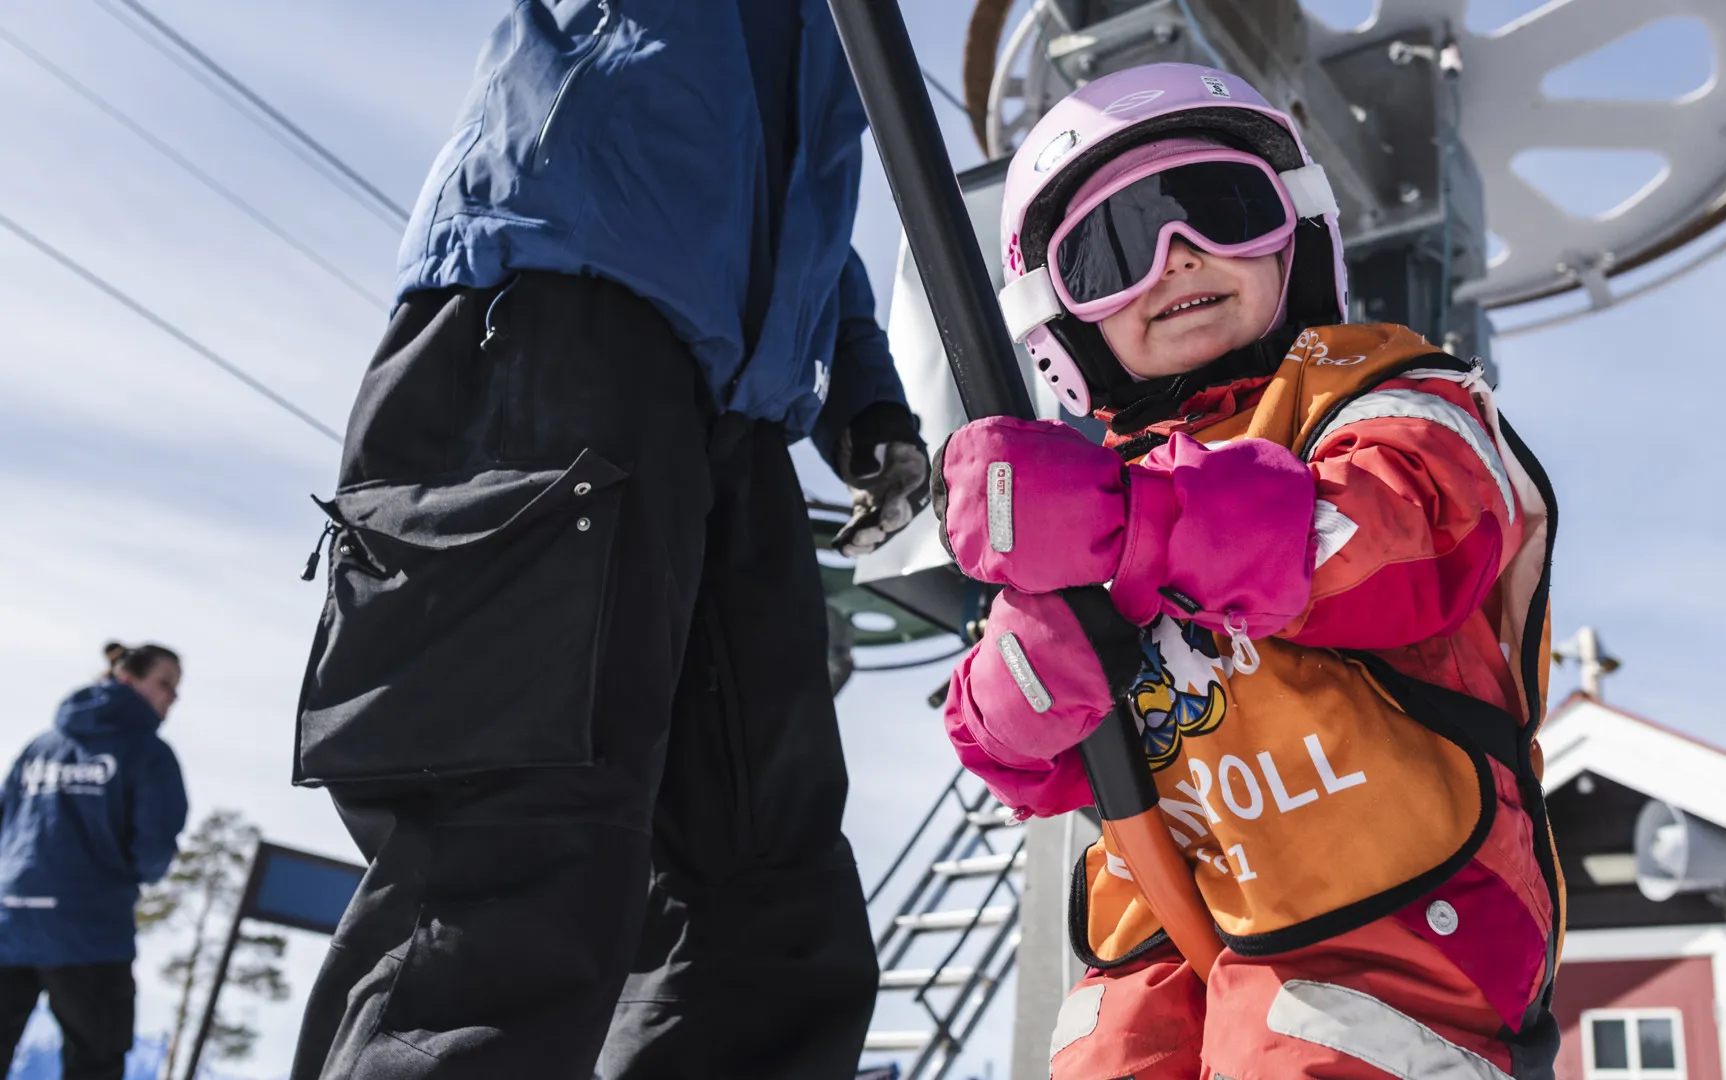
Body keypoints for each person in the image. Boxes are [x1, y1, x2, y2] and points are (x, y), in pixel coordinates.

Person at [289, 3, 926, 1078]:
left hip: (740, 410)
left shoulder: (835, 32)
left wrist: (867, 402)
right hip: (555, 307)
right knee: (517, 847)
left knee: (766, 893)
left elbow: (801, 209)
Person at [932, 63, 1564, 1080]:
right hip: (1172, 930)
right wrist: (1030, 671)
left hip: (1396, 917)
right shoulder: (1084, 498)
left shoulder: (1382, 394)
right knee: (1104, 1053)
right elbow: (1023, 759)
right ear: (1065, 320)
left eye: (1217, 209)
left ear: (1295, 235)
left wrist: (1126, 526)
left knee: (1305, 1049)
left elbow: (1400, 539)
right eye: (1112, 251)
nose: (1177, 257)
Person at [0, 643, 189, 1080]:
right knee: (95, 1062)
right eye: (165, 684)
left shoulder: (40, 747)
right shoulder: (148, 753)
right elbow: (154, 850)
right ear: (127, 679)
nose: (173, 698)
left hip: (10, 922)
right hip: (89, 932)